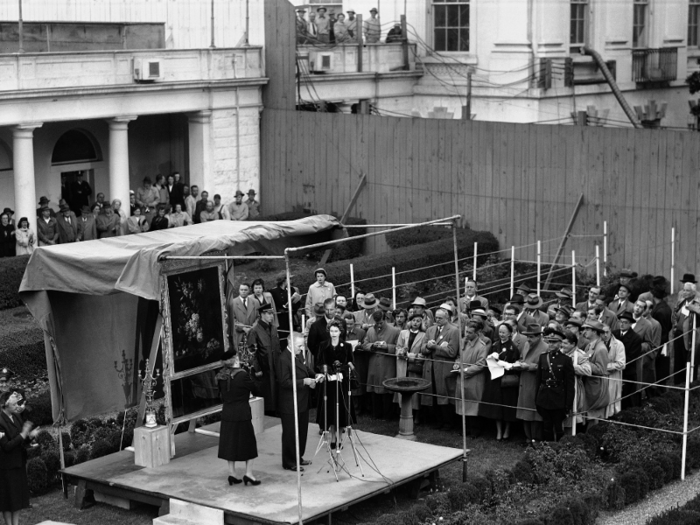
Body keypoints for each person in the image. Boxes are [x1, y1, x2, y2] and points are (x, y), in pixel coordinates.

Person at [216, 351, 263, 486]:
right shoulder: (242, 375)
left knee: (230, 444)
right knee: (248, 444)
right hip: (242, 414)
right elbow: (257, 389)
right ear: (235, 359)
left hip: (227, 413)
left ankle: (232, 473)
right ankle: (248, 474)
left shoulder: (220, 376)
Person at [276, 333, 316, 472]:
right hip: (289, 403)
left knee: (302, 430)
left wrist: (314, 376)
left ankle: (298, 457)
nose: (302, 348)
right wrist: (303, 382)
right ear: (290, 343)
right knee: (290, 433)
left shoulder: (298, 355)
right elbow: (284, 382)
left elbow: (305, 369)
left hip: (302, 401)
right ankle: (289, 461)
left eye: (302, 344)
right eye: (299, 345)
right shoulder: (283, 359)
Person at [0, 391, 39, 525]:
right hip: (6, 467)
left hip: (19, 463)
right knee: (7, 500)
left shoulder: (16, 417)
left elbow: (22, 439)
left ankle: (15, 524)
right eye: (14, 403)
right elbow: (6, 446)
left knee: (16, 499)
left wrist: (30, 436)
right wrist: (23, 434)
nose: (17, 406)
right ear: (5, 405)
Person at [316, 320, 355, 447]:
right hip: (328, 384)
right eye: (331, 331)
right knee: (330, 410)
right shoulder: (323, 345)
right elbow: (319, 363)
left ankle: (339, 438)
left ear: (340, 332)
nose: (333, 334)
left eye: (336, 331)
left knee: (341, 411)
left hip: (341, 383)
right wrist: (327, 371)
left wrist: (342, 371)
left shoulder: (347, 346)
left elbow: (350, 363)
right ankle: (332, 438)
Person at [479, 322, 520, 441]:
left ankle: (507, 430)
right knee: (497, 408)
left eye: (504, 332)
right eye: (500, 332)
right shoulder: (495, 345)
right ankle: (498, 431)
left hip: (507, 381)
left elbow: (515, 364)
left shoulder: (513, 348)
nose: (501, 334)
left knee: (507, 407)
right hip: (495, 379)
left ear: (510, 333)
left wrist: (505, 364)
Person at [420, 307, 459, 428]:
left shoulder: (454, 330)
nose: (437, 320)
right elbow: (422, 348)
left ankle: (448, 422)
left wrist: (435, 347)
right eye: (436, 317)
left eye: (440, 318)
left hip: (443, 368)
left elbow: (452, 352)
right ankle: (437, 421)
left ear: (447, 318)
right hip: (430, 367)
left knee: (444, 395)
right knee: (433, 394)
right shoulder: (430, 329)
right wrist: (427, 346)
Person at [535, 328, 575, 442]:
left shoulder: (566, 360)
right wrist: (536, 398)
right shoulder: (543, 357)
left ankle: (559, 450)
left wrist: (568, 404)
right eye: (550, 342)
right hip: (544, 397)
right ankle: (547, 448)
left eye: (554, 342)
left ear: (560, 343)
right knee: (546, 426)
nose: (551, 344)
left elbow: (569, 384)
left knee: (558, 427)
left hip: (558, 398)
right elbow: (538, 379)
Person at [451, 320, 488, 437]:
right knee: (462, 404)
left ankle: (475, 431)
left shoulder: (482, 346)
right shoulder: (463, 342)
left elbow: (481, 364)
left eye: (470, 332)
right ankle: (464, 429)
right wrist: (456, 364)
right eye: (466, 331)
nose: (467, 334)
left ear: (477, 332)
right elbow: (458, 356)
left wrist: (466, 371)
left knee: (473, 405)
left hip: (474, 379)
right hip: (462, 378)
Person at [363, 310, 401, 420]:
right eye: (377, 323)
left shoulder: (395, 331)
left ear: (385, 319)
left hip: (387, 364)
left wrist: (387, 347)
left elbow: (399, 347)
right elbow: (364, 345)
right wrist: (372, 345)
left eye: (381, 323)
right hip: (374, 364)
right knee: (374, 390)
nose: (379, 325)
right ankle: (376, 414)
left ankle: (388, 415)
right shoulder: (370, 330)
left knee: (387, 390)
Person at [247, 303, 281, 415]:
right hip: (263, 366)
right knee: (266, 389)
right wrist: (257, 369)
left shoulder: (274, 329)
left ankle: (275, 408)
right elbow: (251, 352)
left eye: (272, 314)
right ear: (262, 314)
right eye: (269, 314)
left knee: (275, 388)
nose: (272, 316)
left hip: (274, 365)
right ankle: (267, 410)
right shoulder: (255, 330)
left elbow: (277, 348)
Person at [516, 323, 547, 444]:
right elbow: (522, 358)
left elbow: (545, 366)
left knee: (535, 413)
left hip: (535, 383)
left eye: (532, 336)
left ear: (539, 336)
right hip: (524, 381)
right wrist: (518, 363)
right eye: (528, 336)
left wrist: (529, 366)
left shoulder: (545, 347)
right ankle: (528, 437)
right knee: (525, 412)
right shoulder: (526, 345)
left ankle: (536, 439)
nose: (529, 339)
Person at [393, 313, 426, 419]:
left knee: (414, 388)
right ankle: (403, 411)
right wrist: (402, 352)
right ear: (410, 321)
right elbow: (397, 347)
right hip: (402, 364)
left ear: (421, 323)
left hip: (414, 365)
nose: (415, 323)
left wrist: (410, 356)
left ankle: (415, 414)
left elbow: (422, 353)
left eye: (418, 321)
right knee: (402, 385)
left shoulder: (423, 335)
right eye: (414, 320)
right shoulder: (403, 333)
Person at [579, 320, 610, 426]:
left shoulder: (601, 349)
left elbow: (601, 370)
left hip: (595, 387)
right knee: (588, 415)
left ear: (595, 332)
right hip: (588, 385)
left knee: (593, 416)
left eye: (587, 329)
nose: (584, 332)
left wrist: (585, 363)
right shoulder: (589, 346)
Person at [560, 330, 590, 433]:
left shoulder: (580, 354)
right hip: (560, 388)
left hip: (574, 388)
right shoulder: (559, 352)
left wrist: (570, 367)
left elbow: (587, 370)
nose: (562, 345)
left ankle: (569, 439)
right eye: (561, 342)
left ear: (573, 344)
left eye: (565, 343)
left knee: (571, 415)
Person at [614, 311, 643, 408]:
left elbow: (631, 357)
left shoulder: (636, 338)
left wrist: (617, 363)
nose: (622, 324)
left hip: (627, 372)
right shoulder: (614, 334)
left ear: (630, 324)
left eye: (625, 322)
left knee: (626, 399)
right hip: (614, 371)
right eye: (620, 321)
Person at [269, 271, 302, 343]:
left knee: (292, 339)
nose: (291, 280)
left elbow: (298, 304)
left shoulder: (292, 289)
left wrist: (293, 306)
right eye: (289, 278)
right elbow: (272, 305)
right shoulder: (273, 291)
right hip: (280, 320)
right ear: (283, 280)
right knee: (282, 340)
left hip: (291, 318)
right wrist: (278, 309)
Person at [601, 324, 625, 418]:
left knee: (612, 401)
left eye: (607, 332)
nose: (605, 335)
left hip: (613, 377)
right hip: (601, 377)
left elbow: (621, 363)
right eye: (603, 333)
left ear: (611, 332)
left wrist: (604, 367)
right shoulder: (597, 344)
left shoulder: (618, 344)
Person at [228, 283, 260, 353]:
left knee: (253, 355)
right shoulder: (232, 303)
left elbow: (258, 317)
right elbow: (232, 320)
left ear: (249, 291)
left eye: (245, 290)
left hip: (253, 335)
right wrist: (243, 328)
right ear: (239, 290)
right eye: (241, 290)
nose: (243, 291)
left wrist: (253, 328)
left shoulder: (255, 302)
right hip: (239, 336)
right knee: (241, 356)